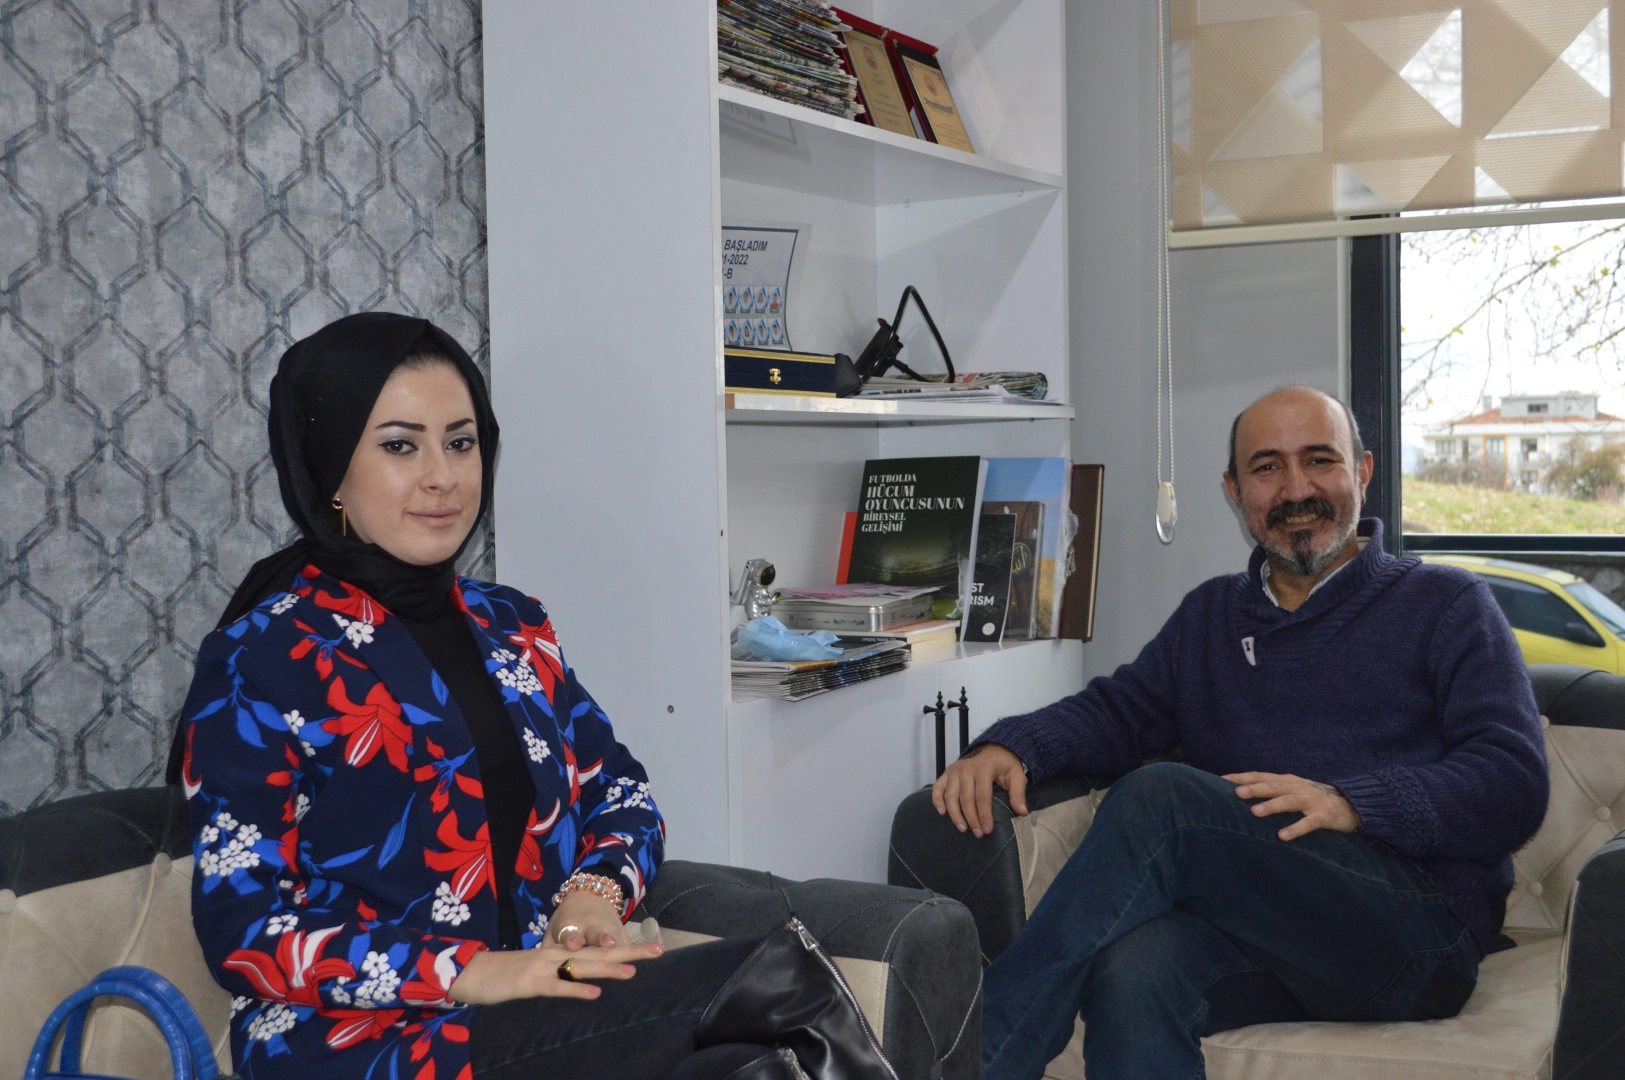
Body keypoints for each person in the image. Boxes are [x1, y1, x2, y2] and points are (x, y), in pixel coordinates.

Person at [170, 313, 894, 1080]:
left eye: (460, 442)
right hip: (361, 1042)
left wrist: (592, 897)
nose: (442, 477)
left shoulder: (510, 625)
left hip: (538, 1003)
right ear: (330, 472)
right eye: (399, 446)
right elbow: (242, 925)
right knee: (775, 980)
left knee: (749, 1066)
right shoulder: (261, 659)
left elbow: (620, 794)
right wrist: (472, 972)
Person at [932, 386, 1550, 1080]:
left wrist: (1354, 802)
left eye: (1319, 460)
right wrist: (1013, 745)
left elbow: (1514, 782)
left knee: (1162, 799)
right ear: (1234, 490)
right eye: (1267, 467)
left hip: (1413, 938)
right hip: (1268, 935)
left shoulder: (1446, 604)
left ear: (1363, 471)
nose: (1296, 489)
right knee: (1134, 969)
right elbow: (1119, 712)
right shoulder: (1211, 617)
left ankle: (981, 1062)